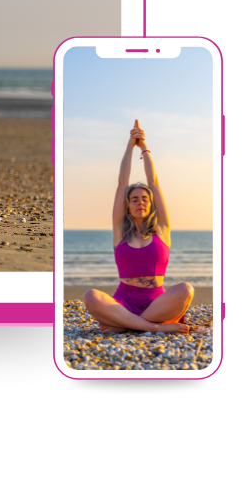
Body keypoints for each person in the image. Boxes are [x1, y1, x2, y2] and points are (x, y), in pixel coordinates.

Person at [83, 119, 194, 334]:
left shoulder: (162, 229)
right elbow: (122, 184)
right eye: (134, 199)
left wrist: (143, 146)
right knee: (90, 296)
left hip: (157, 303)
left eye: (144, 199)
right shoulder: (120, 231)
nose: (140, 202)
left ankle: (124, 325)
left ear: (151, 204)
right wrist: (129, 146)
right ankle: (154, 327)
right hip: (123, 302)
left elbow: (154, 183)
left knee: (186, 289)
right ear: (128, 205)